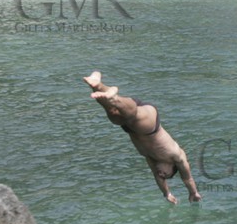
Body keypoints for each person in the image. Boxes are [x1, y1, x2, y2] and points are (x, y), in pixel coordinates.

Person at [83, 71, 201, 204]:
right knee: (132, 116)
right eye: (166, 174)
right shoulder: (177, 156)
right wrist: (193, 192)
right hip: (150, 125)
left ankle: (97, 84)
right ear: (172, 167)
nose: (162, 175)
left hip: (130, 128)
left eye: (163, 177)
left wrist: (166, 193)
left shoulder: (151, 158)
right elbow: (187, 178)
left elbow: (157, 177)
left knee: (113, 114)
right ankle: (114, 98)